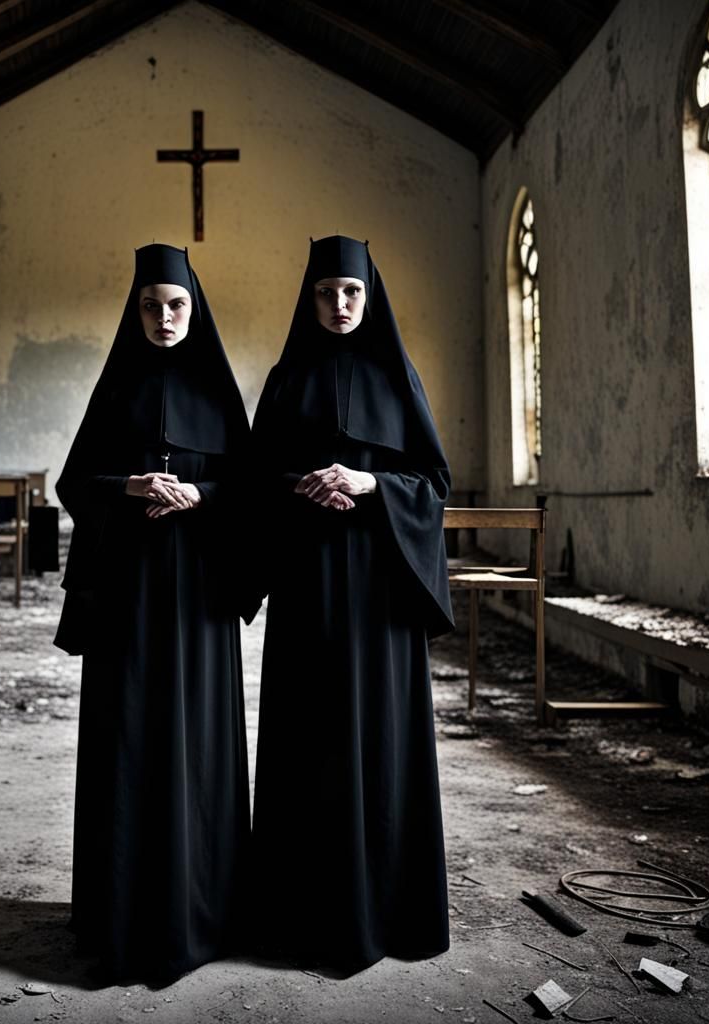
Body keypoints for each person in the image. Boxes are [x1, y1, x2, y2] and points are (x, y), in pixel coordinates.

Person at [249, 234, 455, 973]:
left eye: (351, 293)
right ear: (309, 300)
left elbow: (433, 483)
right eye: (326, 293)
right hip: (308, 587)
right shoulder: (285, 378)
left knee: (378, 738)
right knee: (310, 737)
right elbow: (252, 483)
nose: (339, 305)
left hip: (379, 592)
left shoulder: (398, 378)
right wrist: (300, 484)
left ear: (369, 298)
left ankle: (388, 915)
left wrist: (369, 485)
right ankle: (298, 918)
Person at [54, 243, 252, 984]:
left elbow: (250, 489)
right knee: (129, 737)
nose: (164, 317)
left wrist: (201, 496)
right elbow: (75, 481)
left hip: (199, 594)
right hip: (128, 597)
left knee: (195, 740)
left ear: (193, 311)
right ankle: (118, 915)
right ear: (134, 310)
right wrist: (131, 489)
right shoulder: (116, 390)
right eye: (150, 305)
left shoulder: (217, 393)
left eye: (176, 306)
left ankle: (206, 912)